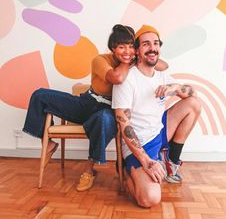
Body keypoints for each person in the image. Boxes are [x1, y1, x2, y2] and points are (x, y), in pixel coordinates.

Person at [22, 24, 168, 192]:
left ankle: (89, 169)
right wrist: (130, 61)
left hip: (107, 111)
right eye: (121, 47)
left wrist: (138, 56)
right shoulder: (101, 60)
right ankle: (47, 143)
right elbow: (116, 77)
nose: (126, 51)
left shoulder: (135, 59)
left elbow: (163, 66)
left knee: (103, 120)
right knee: (40, 95)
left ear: (136, 48)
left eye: (130, 47)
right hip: (87, 103)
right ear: (112, 48)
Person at [112, 24, 201, 208]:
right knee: (149, 199)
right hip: (139, 142)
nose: (152, 48)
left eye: (155, 43)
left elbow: (193, 93)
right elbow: (125, 125)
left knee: (193, 104)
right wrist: (146, 161)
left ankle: (170, 160)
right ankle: (127, 170)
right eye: (146, 44)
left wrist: (174, 88)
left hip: (159, 133)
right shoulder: (127, 79)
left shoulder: (161, 75)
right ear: (137, 50)